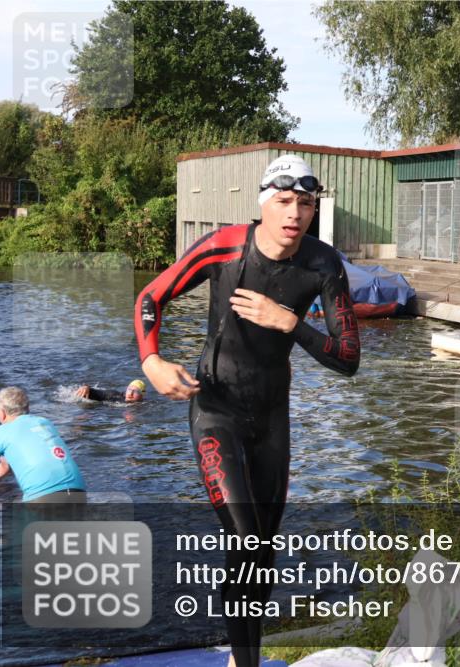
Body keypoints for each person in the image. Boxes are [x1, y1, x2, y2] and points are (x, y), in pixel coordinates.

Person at [134, 154, 360, 667]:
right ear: (264, 205)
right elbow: (152, 295)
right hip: (216, 409)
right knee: (245, 534)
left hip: (272, 421)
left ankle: (243, 660)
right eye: (284, 201)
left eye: (305, 203)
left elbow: (349, 359)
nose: (295, 213)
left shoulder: (324, 265)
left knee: (260, 552)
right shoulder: (225, 246)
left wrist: (290, 324)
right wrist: (152, 361)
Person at [0, 387, 86, 503]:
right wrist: (8, 463)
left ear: (2, 413)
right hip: (79, 493)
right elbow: (36, 447)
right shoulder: (44, 422)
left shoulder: (0, 432)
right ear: (27, 408)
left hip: (42, 498)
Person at [75, 379, 146, 403]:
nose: (130, 393)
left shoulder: (145, 405)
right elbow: (99, 394)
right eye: (129, 389)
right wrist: (87, 388)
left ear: (142, 396)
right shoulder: (114, 396)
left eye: (136, 391)